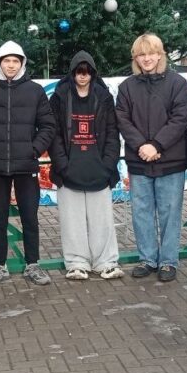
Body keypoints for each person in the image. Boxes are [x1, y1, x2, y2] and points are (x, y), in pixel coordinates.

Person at [0, 40, 57, 287]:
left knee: (29, 217)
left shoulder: (35, 91)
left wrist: (33, 149)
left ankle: (33, 264)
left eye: (15, 61)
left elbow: (48, 125)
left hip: (26, 166)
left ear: (22, 63)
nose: (11, 65)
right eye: (7, 61)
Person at [115, 33, 187, 283]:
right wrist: (142, 146)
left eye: (151, 53)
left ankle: (168, 261)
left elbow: (180, 119)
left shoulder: (177, 83)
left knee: (170, 213)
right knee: (141, 212)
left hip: (170, 161)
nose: (147, 58)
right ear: (135, 58)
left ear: (160, 55)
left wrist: (157, 145)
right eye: (141, 54)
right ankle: (147, 258)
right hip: (139, 161)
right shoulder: (127, 87)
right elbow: (122, 119)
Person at [49, 51, 123, 280]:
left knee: (102, 220)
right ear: (72, 73)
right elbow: (53, 134)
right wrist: (62, 165)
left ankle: (106, 262)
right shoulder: (60, 96)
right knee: (72, 221)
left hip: (98, 169)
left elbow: (112, 132)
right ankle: (76, 263)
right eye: (79, 71)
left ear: (93, 73)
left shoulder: (104, 96)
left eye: (87, 71)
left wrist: (108, 165)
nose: (83, 76)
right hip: (69, 170)